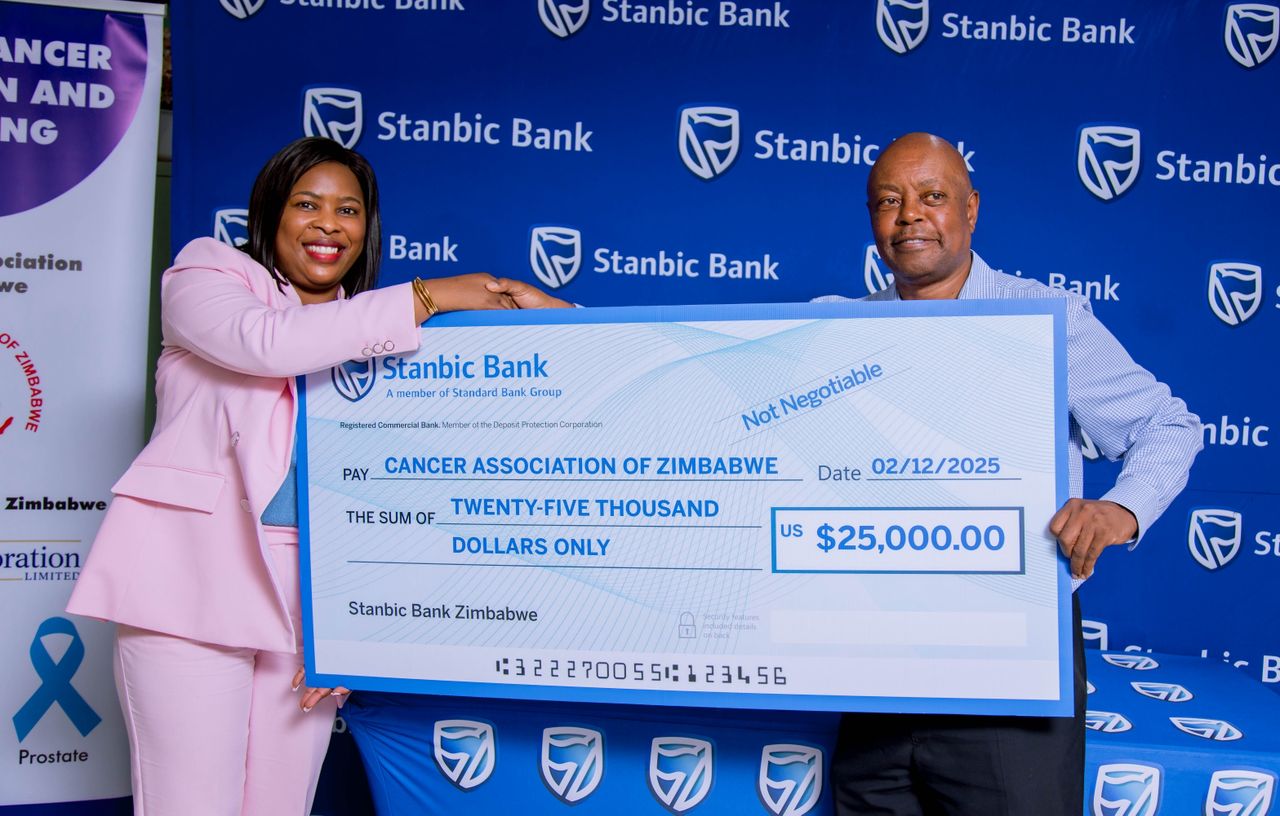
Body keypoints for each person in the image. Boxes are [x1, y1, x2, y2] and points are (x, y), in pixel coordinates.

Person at [66, 136, 561, 815]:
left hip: (312, 601)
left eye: (348, 210)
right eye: (308, 204)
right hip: (187, 586)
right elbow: (266, 344)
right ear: (271, 212)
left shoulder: (381, 334)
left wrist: (543, 313)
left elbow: (408, 477)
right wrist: (429, 294)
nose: (329, 224)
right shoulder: (208, 275)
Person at [826, 133, 1202, 815]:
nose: (910, 216)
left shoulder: (1046, 319)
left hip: (1011, 660)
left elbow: (1166, 425)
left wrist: (1122, 509)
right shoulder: (835, 331)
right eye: (888, 202)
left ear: (971, 209)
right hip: (875, 655)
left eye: (932, 196)